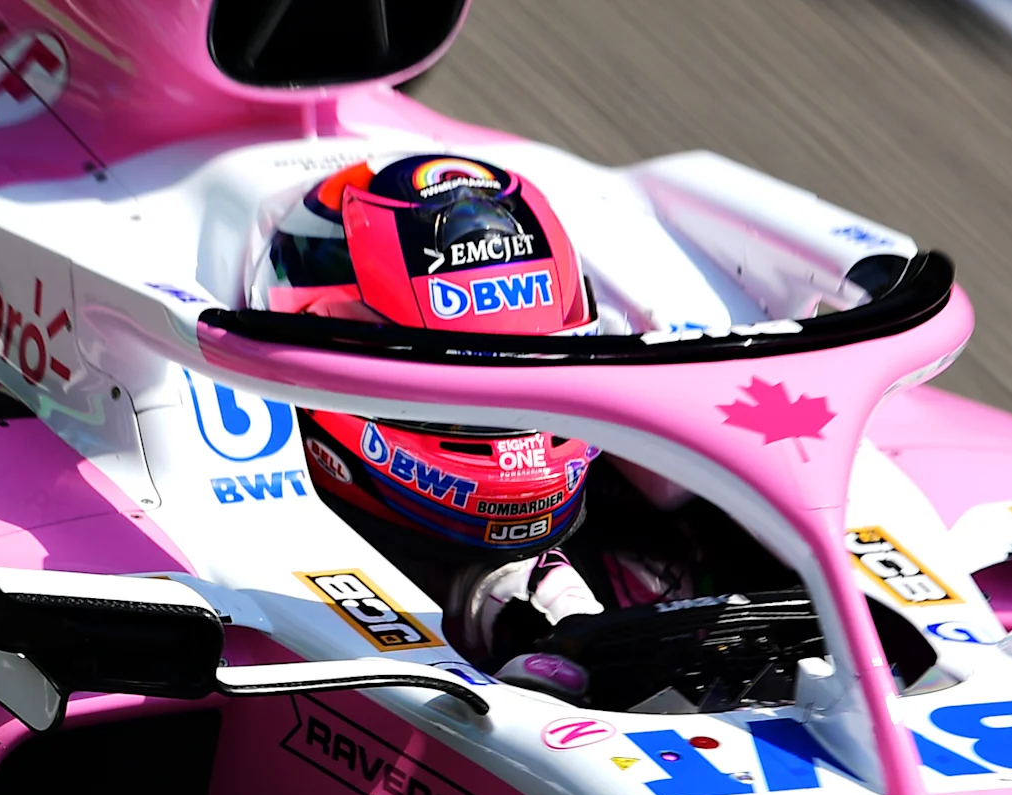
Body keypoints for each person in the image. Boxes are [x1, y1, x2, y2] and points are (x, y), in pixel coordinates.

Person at [251, 153, 695, 680]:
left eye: (533, 375)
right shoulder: (249, 555)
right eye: (456, 392)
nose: (506, 417)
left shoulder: (647, 566)